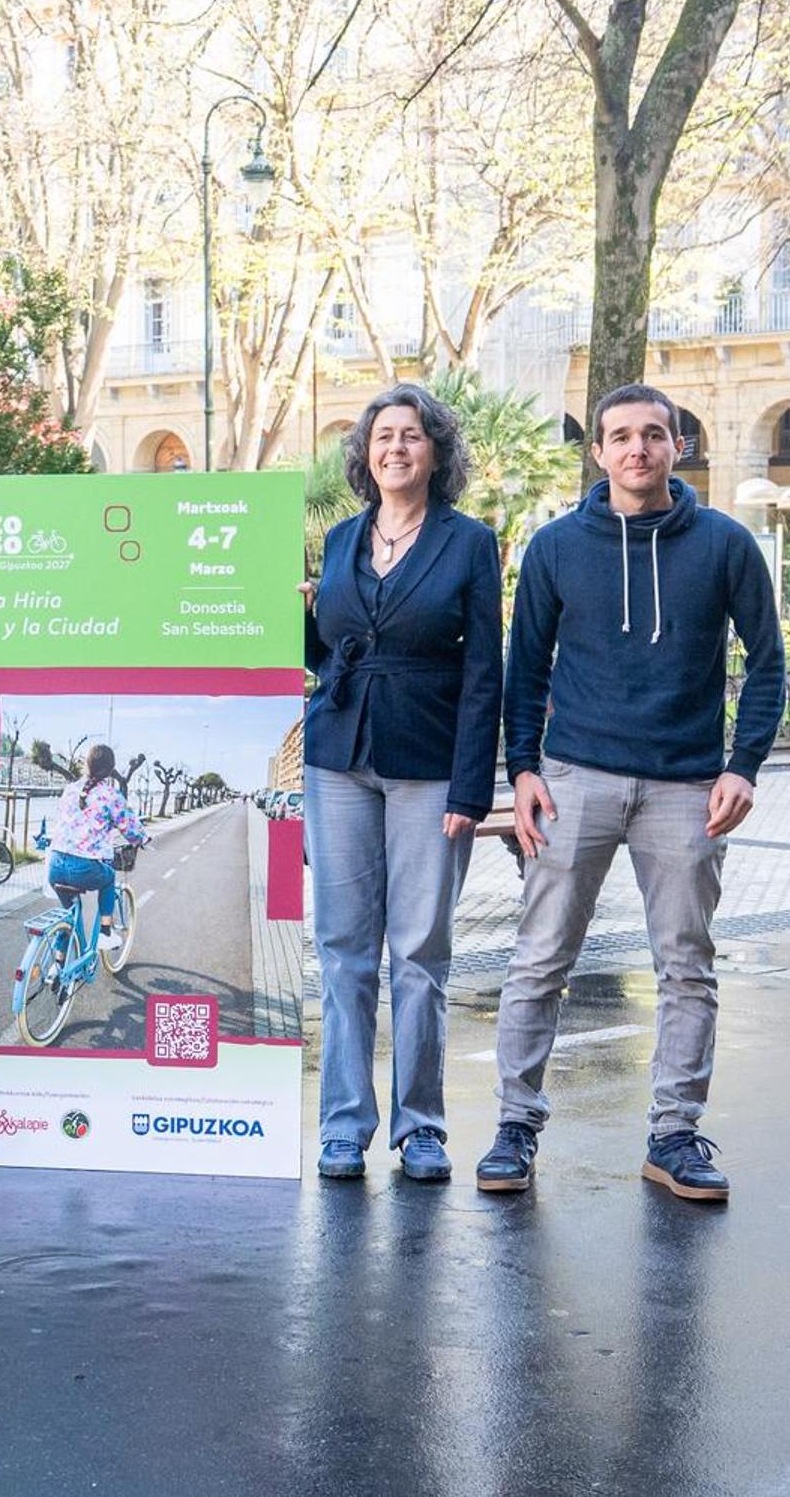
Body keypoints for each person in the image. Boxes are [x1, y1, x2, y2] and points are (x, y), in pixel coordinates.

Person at [478, 383, 785, 1204]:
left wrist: (742, 764)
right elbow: (525, 668)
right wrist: (523, 771)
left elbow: (767, 661)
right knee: (539, 959)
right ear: (598, 451)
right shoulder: (554, 547)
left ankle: (675, 1136)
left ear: (676, 447)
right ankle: (514, 1127)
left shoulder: (723, 545)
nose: (636, 450)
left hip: (687, 786)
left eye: (653, 435)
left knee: (685, 967)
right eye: (620, 437)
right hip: (575, 777)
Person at [298, 382, 502, 1186]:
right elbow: (327, 652)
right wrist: (302, 621)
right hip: (336, 759)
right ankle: (344, 1125)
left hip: (428, 763)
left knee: (419, 952)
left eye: (411, 436)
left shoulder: (467, 542)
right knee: (343, 949)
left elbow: (486, 667)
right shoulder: (343, 539)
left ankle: (420, 1126)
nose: (395, 449)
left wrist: (469, 789)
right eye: (382, 437)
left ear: (435, 451)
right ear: (364, 454)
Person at [47, 746, 146, 954]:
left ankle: (58, 966)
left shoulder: (70, 789)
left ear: (87, 765)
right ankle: (105, 933)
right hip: (84, 868)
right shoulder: (111, 794)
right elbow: (130, 828)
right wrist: (142, 838)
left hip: (54, 865)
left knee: (69, 913)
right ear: (110, 770)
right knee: (109, 878)